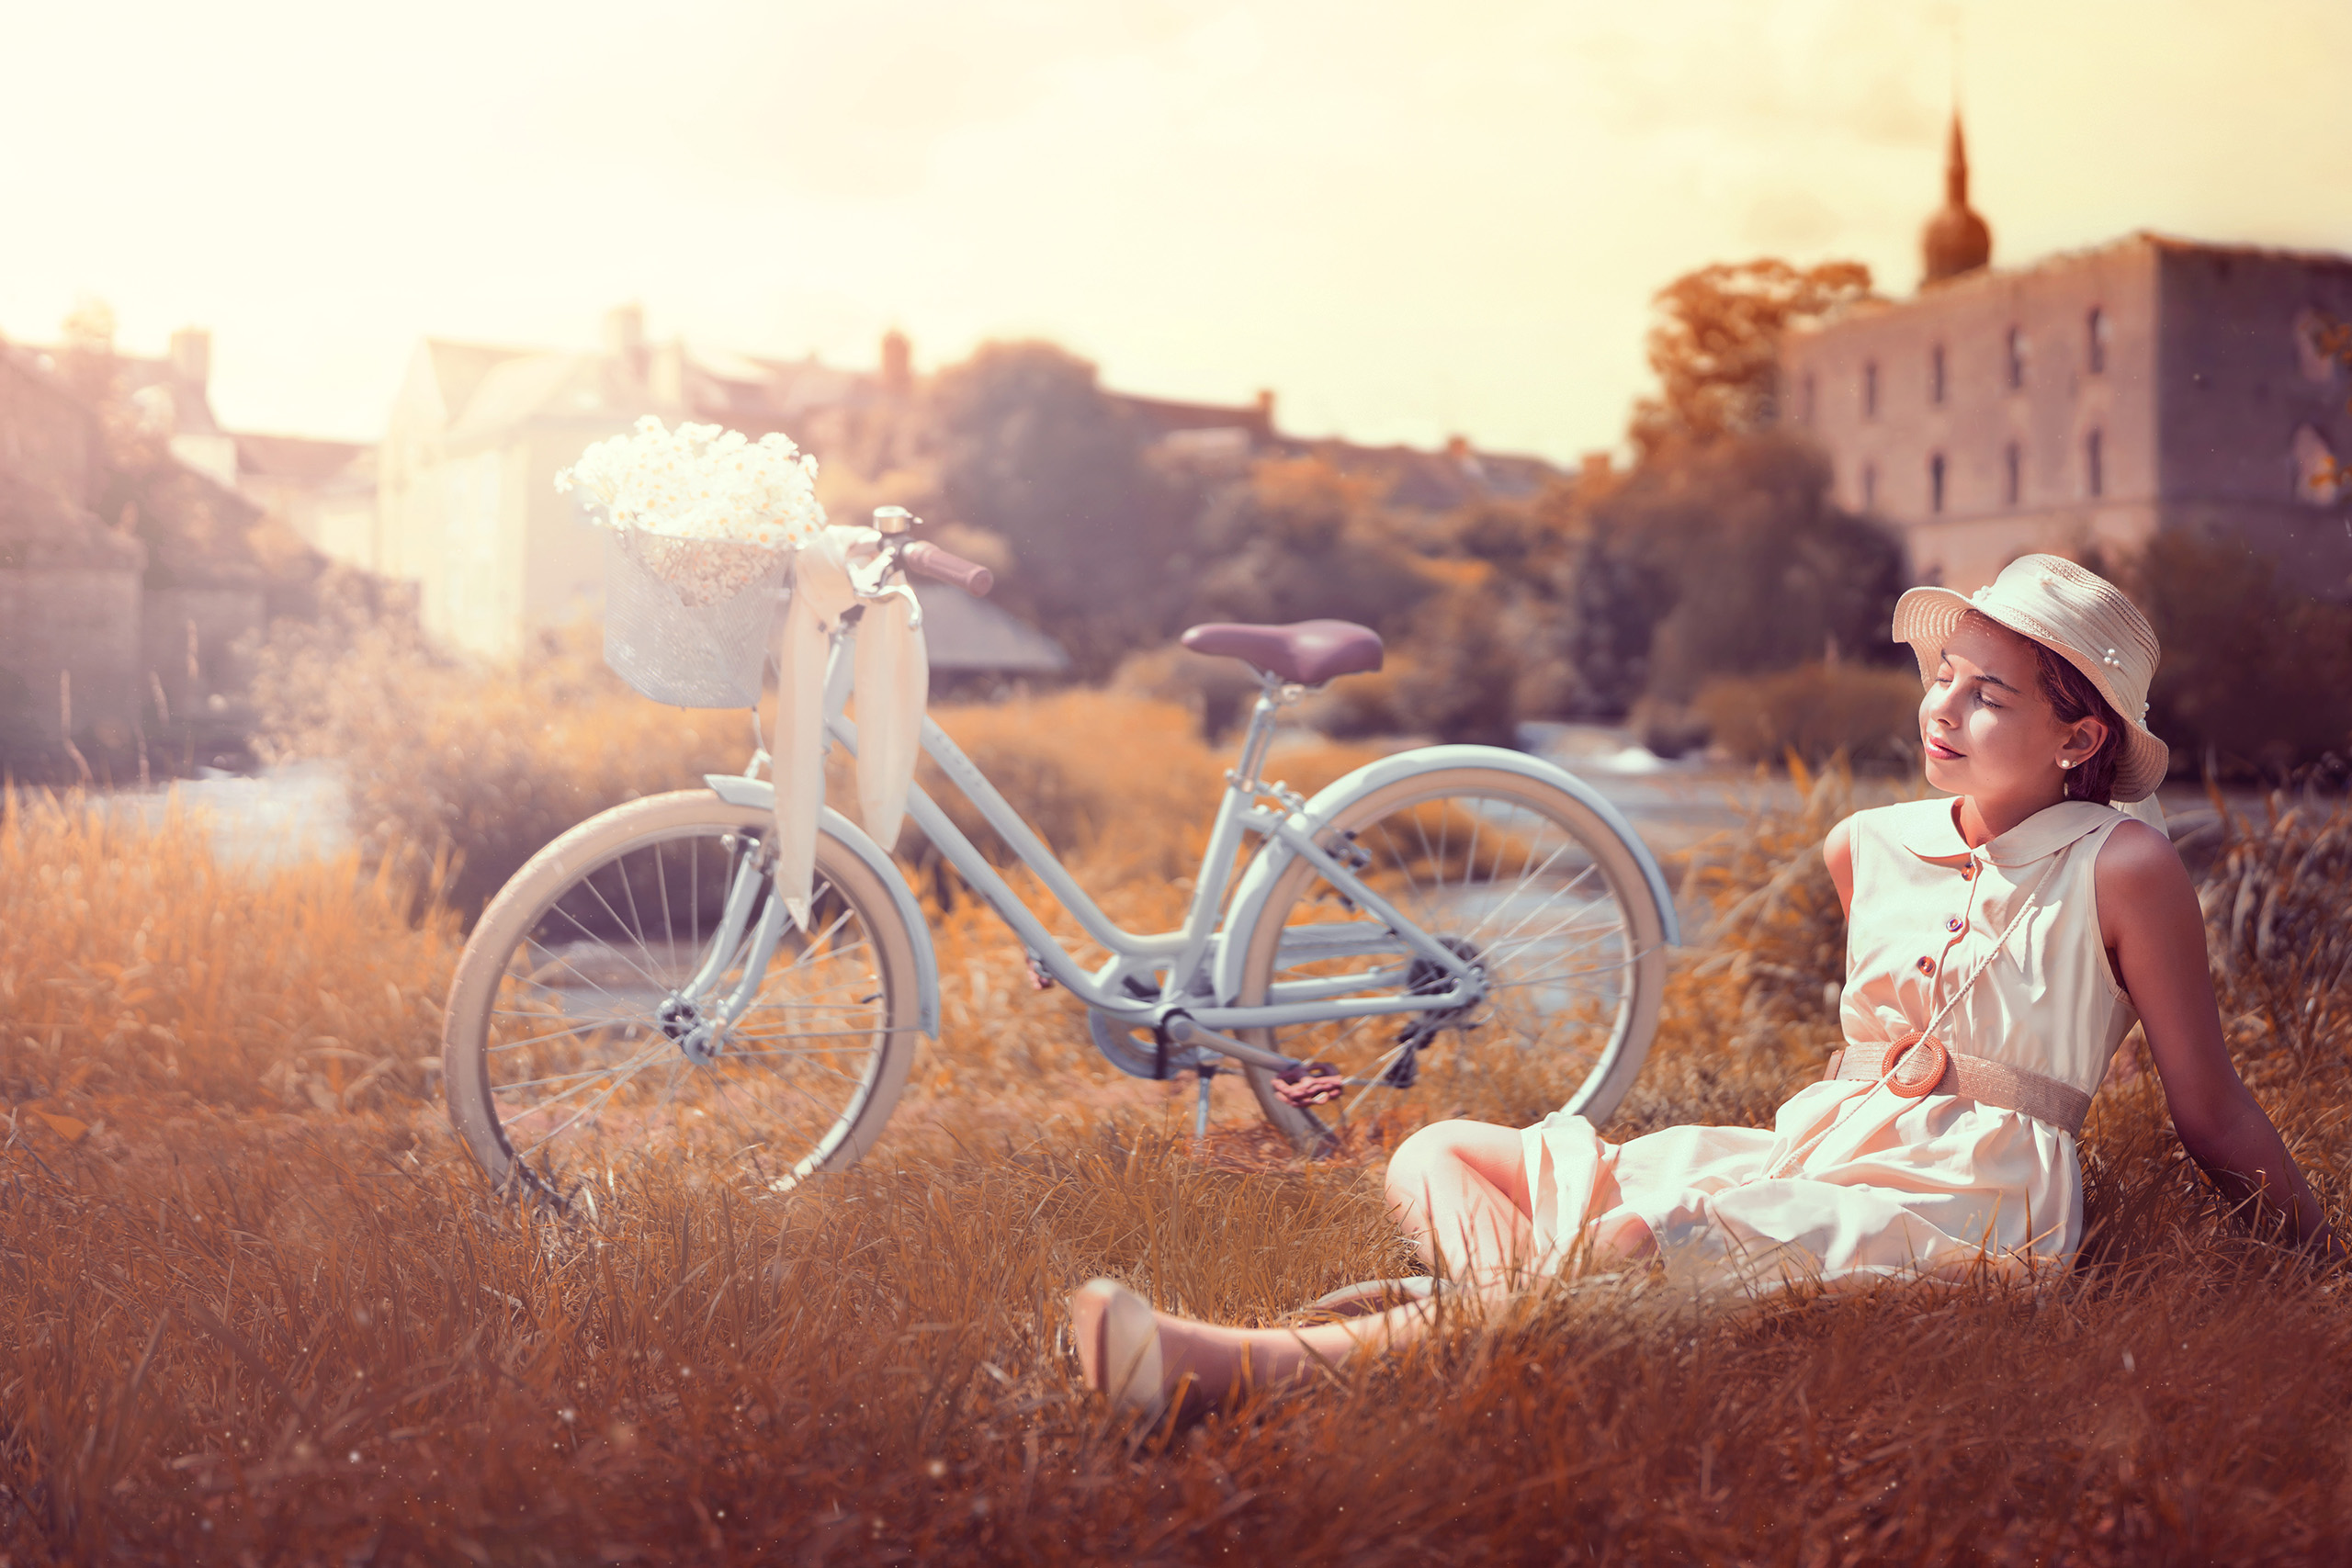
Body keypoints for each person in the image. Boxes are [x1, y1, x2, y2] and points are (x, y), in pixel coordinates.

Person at [1071, 554, 2338, 1419]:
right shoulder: (1870, 846)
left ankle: (1249, 1370)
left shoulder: (2123, 864)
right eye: (1944, 677)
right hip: (1817, 1149)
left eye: (1990, 693)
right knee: (1445, 1152)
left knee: (1634, 1240)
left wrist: (2321, 1266)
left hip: (1966, 1200)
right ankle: (1529, 1321)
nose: (1945, 707)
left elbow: (2207, 1107)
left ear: (2079, 738)